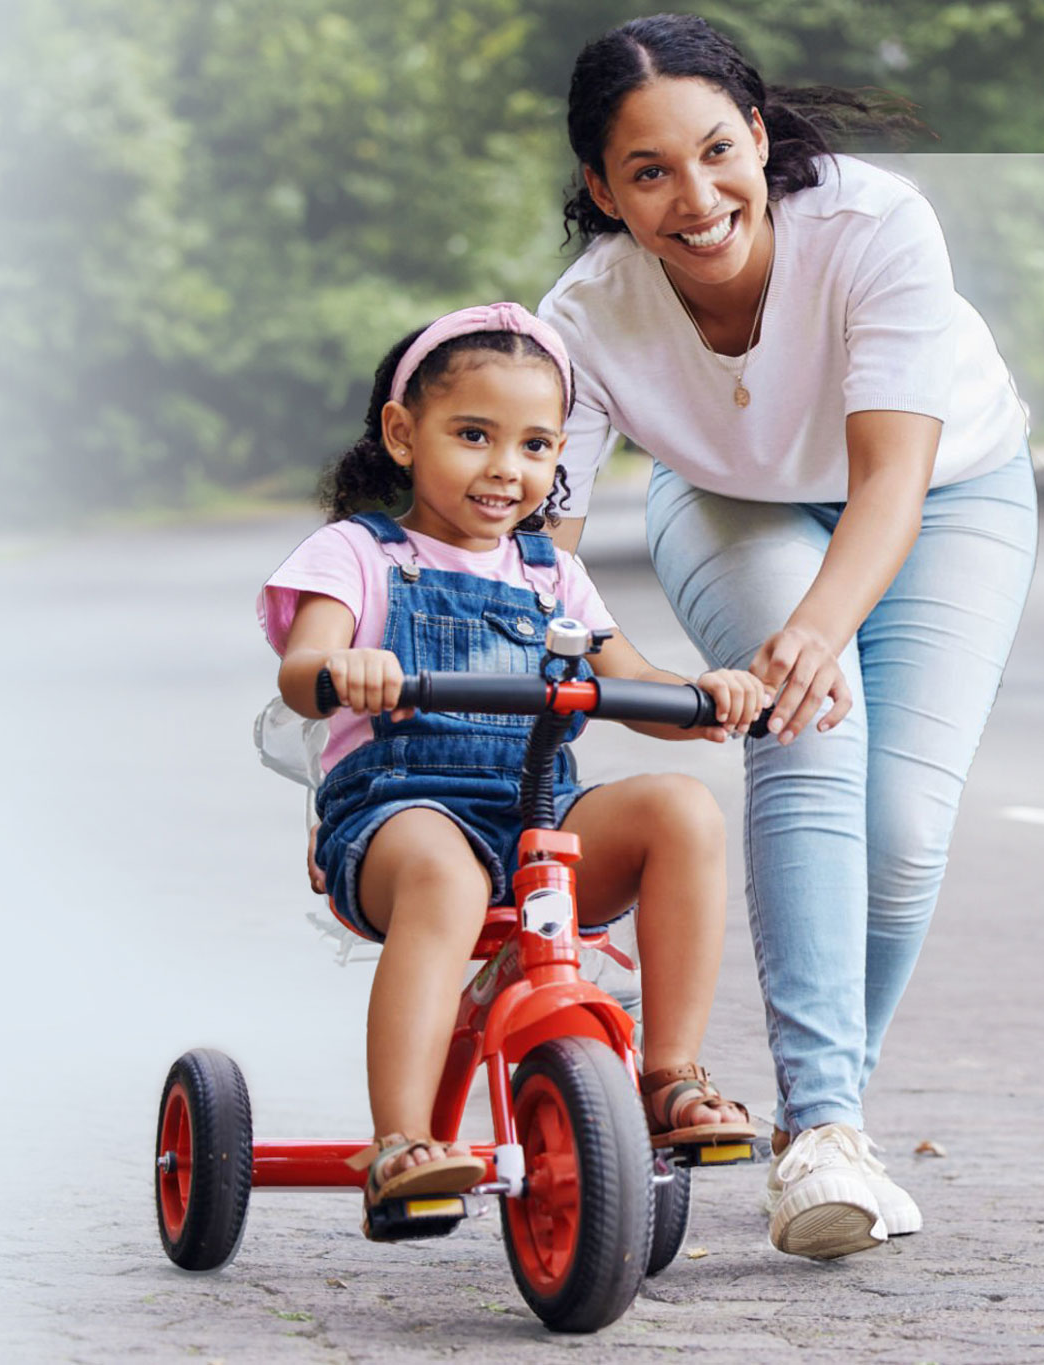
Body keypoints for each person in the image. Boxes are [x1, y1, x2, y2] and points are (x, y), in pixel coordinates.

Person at [533, 14, 1041, 1261]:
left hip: (944, 491)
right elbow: (540, 543)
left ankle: (835, 1130)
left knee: (903, 832)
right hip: (729, 501)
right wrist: (619, 669)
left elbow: (890, 482)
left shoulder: (872, 228)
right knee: (812, 736)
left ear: (758, 136)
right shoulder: (584, 315)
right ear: (602, 189)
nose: (696, 199)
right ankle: (821, 1133)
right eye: (648, 173)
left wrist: (822, 625)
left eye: (717, 152)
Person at [260, 303, 769, 1227]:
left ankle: (668, 1076)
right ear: (402, 434)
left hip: (536, 817)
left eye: (536, 445)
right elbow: (303, 673)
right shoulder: (358, 554)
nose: (506, 467)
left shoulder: (549, 575)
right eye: (473, 435)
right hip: (395, 815)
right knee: (442, 872)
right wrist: (345, 668)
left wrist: (703, 699)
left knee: (683, 809)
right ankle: (403, 1140)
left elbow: (628, 677)